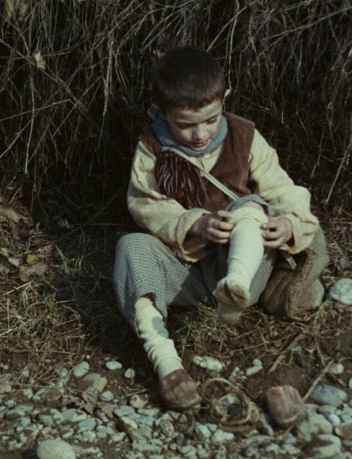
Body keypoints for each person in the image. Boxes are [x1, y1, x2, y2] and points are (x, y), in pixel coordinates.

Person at [113, 46, 322, 411]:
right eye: (185, 124)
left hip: (245, 262)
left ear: (224, 99)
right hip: (186, 271)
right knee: (131, 245)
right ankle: (167, 364)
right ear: (162, 112)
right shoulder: (151, 149)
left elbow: (283, 190)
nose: (199, 134)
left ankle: (235, 286)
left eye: (210, 120)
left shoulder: (245, 136)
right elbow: (144, 205)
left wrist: (288, 224)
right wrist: (196, 223)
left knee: (251, 206)